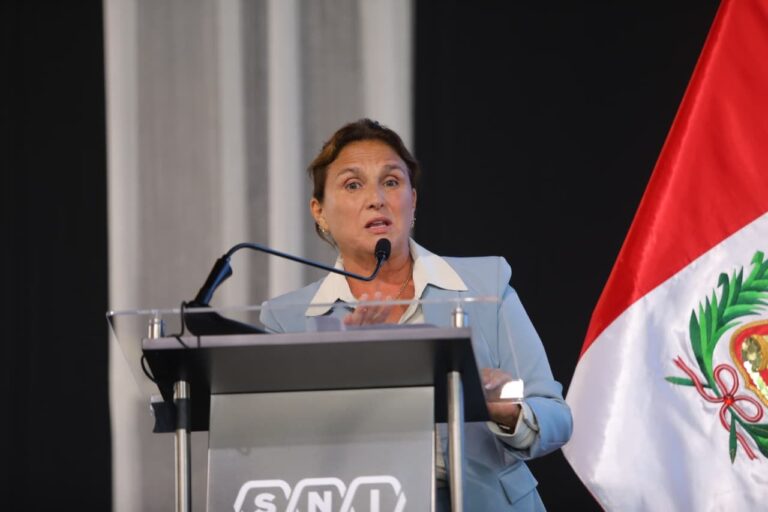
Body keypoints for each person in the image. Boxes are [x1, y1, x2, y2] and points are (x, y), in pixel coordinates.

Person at [260, 118, 573, 510]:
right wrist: (342, 368)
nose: (376, 198)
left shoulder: (485, 285)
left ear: (413, 200)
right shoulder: (287, 320)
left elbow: (556, 416)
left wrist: (504, 412)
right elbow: (275, 447)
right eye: (353, 184)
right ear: (319, 211)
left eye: (391, 181)